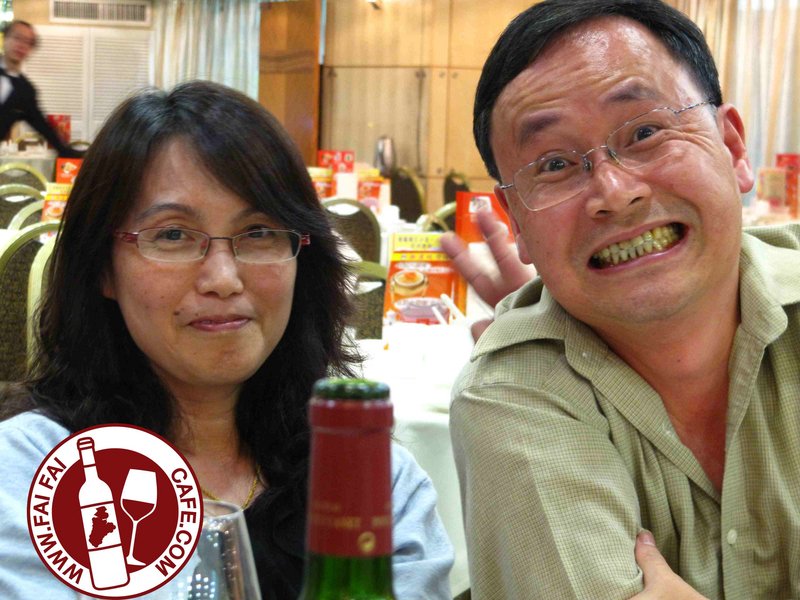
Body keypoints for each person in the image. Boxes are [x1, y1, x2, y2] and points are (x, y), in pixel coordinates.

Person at [0, 80, 453, 599]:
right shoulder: (33, 477)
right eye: (173, 234)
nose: (223, 278)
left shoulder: (366, 477)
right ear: (103, 267)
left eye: (259, 233)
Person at [441, 0, 800, 598]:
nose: (614, 192)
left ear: (733, 148)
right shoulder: (512, 392)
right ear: (517, 223)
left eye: (646, 133)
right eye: (555, 164)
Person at [0, 20, 82, 157]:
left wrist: (70, 152)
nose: (21, 45)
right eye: (17, 38)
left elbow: (44, 127)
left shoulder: (25, 91)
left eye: (28, 42)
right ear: (5, 38)